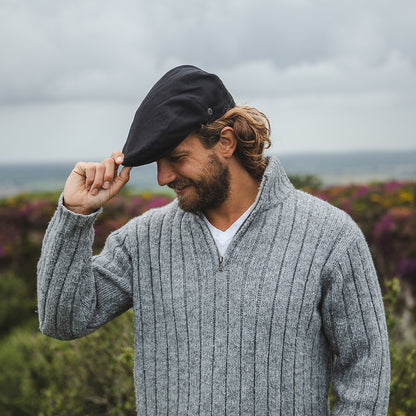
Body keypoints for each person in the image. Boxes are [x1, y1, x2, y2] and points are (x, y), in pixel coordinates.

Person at [37, 65, 390, 415]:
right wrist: (75, 213)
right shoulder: (142, 242)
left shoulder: (330, 237)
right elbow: (62, 321)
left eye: (177, 158)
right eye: (158, 162)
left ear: (225, 142)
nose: (163, 177)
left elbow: (366, 373)